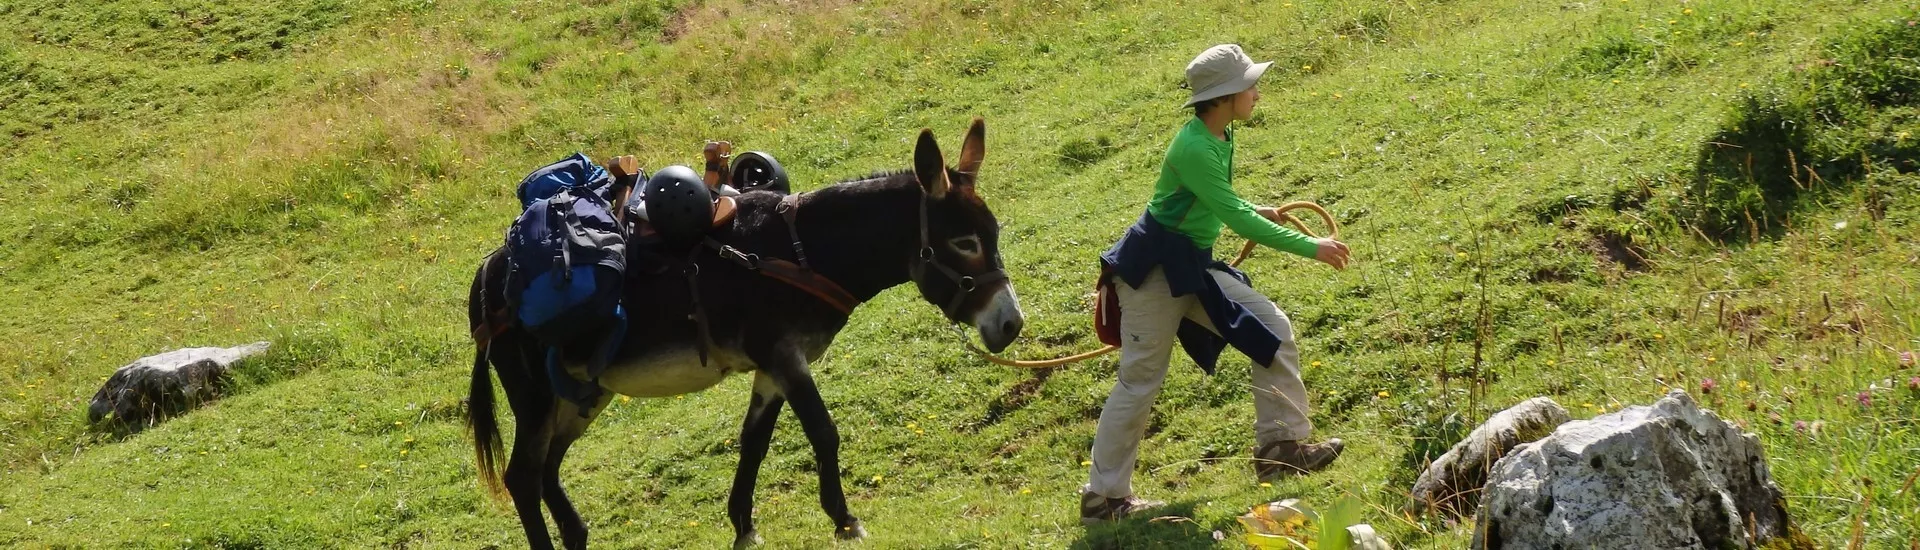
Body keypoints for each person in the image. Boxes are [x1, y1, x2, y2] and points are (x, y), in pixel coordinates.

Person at [1080, 44, 1353, 524]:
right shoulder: (1194, 146)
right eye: (1250, 86)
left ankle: (1281, 448)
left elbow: (1219, 201)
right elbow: (1234, 217)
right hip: (1154, 274)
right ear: (1226, 96)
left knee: (1272, 329)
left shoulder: (1217, 135)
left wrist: (1255, 208)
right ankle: (1104, 499)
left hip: (1192, 267)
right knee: (1140, 381)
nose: (1257, 93)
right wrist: (1314, 247)